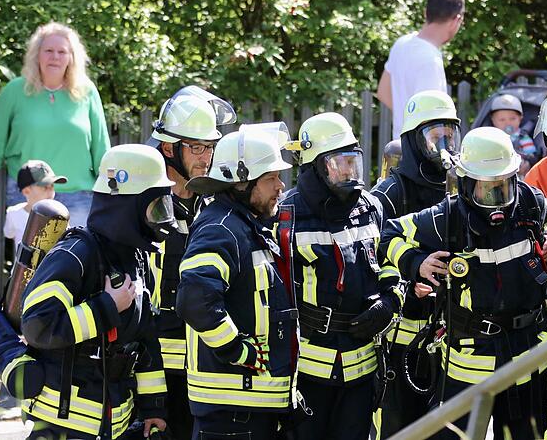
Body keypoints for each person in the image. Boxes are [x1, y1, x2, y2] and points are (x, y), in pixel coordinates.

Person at [380, 127, 547, 440]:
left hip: (526, 354)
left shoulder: (531, 204)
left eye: (503, 188)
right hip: (467, 359)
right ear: (465, 183)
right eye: (485, 189)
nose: (495, 199)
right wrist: (416, 263)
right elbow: (389, 233)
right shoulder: (445, 218)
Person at [20, 144, 173, 439]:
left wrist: (154, 407)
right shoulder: (75, 254)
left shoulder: (138, 259)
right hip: (62, 425)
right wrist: (106, 307)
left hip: (114, 425)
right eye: (156, 207)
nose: (163, 218)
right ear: (128, 206)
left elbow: (146, 340)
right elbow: (39, 325)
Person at [279, 112, 402, 440]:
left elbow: (390, 263)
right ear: (314, 167)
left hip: (362, 368)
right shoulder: (287, 216)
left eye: (353, 162)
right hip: (307, 372)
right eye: (339, 163)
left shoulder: (371, 207)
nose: (349, 172)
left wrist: (390, 302)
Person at [176, 128, 297, 439]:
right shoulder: (221, 228)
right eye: (271, 177)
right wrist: (237, 350)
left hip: (249, 406)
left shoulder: (244, 224)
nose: (281, 186)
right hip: (230, 411)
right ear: (242, 182)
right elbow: (194, 299)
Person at [145, 86, 236, 440]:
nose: (205, 157)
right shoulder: (143, 202)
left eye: (210, 148)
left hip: (200, 366)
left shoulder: (211, 204)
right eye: (196, 147)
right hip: (150, 364)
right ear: (169, 148)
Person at [369, 89, 461, 438]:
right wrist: (412, 267)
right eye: (433, 135)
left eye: (449, 134)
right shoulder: (391, 192)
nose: (443, 144)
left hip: (449, 330)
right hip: (400, 334)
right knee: (398, 426)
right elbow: (369, 248)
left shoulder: (459, 184)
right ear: (412, 140)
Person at [0, 22, 110, 227]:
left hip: (79, 197)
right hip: (28, 195)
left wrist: (110, 189)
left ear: (71, 58)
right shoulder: (15, 90)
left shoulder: (87, 92)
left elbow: (101, 145)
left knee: (76, 258)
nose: (55, 56)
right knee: (31, 259)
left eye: (61, 51)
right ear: (36, 55)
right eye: (48, 50)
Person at [377, 0, 464, 140]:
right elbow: (431, 121)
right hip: (422, 154)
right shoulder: (431, 61)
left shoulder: (401, 44)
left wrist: (405, 117)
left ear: (426, 13)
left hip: (400, 147)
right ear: (456, 20)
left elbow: (382, 92)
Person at [4, 160, 68, 246]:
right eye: (45, 187)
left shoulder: (60, 215)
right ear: (26, 191)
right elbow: (8, 233)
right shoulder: (14, 213)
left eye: (52, 186)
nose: (50, 191)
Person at [489, 94, 542, 175]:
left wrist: (527, 163)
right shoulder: (492, 137)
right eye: (502, 120)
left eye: (512, 119)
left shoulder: (522, 137)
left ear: (520, 118)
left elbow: (532, 156)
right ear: (493, 121)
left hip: (518, 172)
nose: (507, 123)